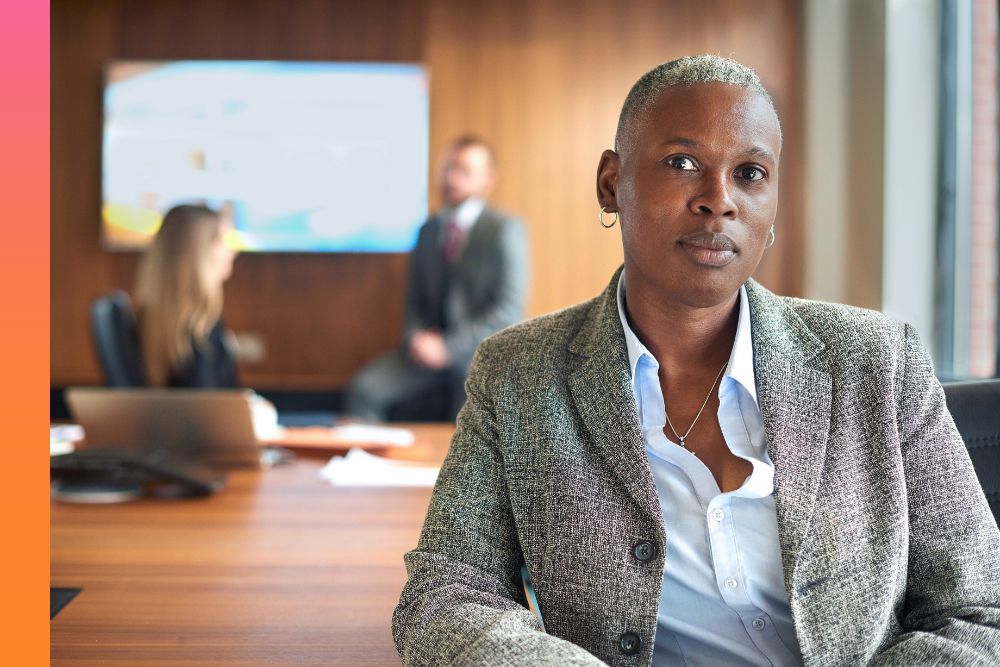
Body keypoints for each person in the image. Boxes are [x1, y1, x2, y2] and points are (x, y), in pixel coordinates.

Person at [392, 56, 1000, 666]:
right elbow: (446, 596)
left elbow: (982, 612)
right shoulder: (519, 375)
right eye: (682, 164)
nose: (719, 200)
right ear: (611, 182)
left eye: (751, 173)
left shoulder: (877, 363)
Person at [344, 136, 529, 422]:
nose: (452, 178)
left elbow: (506, 311)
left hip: (477, 356)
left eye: (464, 171)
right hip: (423, 356)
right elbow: (414, 302)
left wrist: (448, 347)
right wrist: (415, 339)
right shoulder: (428, 231)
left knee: (472, 408)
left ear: (487, 180)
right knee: (364, 391)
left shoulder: (504, 230)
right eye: (448, 168)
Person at [134, 203, 239, 388]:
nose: (232, 252)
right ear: (199, 252)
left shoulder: (146, 321)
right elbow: (209, 410)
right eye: (222, 241)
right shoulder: (201, 327)